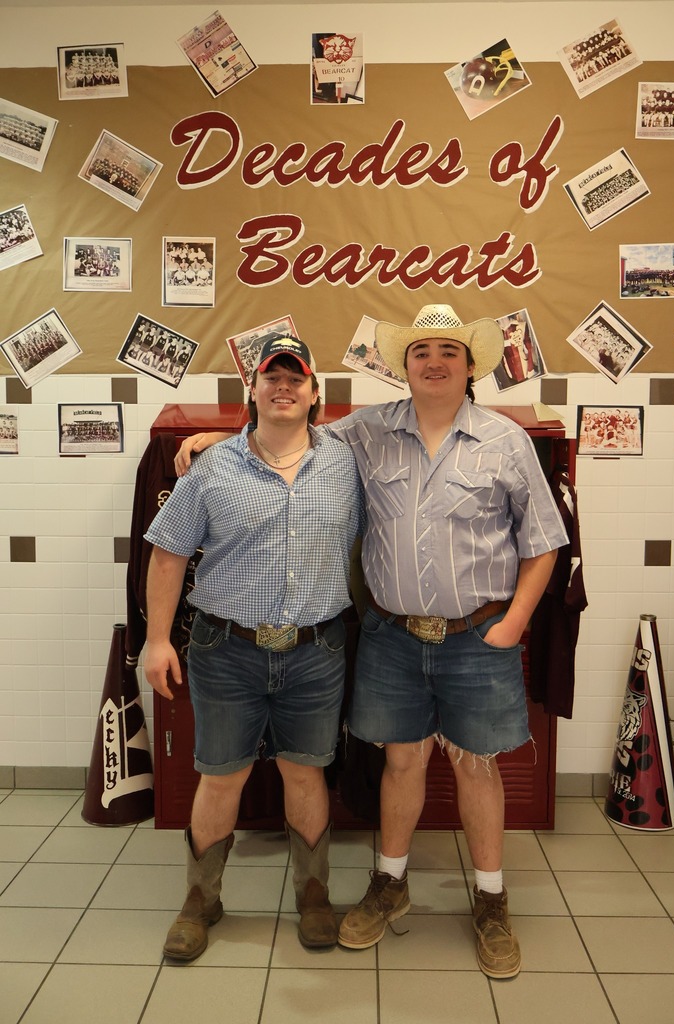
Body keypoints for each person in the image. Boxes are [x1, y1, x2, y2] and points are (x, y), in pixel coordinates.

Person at [174, 304, 568, 978]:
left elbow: (544, 544)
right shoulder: (364, 432)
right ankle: (389, 883)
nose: (434, 362)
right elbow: (286, 430)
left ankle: (491, 901)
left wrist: (513, 624)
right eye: (420, 352)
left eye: (448, 350)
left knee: (476, 766)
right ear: (403, 366)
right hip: (389, 636)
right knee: (402, 762)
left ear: (469, 364)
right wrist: (218, 437)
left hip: (479, 636)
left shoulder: (505, 441)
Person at [144, 335, 363, 963]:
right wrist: (158, 640)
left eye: (297, 377)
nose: (284, 386)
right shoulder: (212, 468)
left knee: (305, 769)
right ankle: (200, 901)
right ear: (254, 390)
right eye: (273, 377)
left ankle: (314, 894)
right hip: (226, 647)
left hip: (317, 648)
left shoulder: (347, 462)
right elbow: (168, 554)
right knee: (221, 776)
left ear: (315, 393)